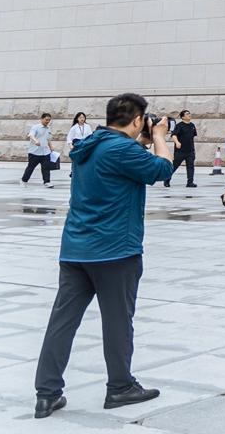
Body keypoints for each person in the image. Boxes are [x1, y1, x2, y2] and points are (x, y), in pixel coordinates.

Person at [33, 93, 173, 419]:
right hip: (114, 252)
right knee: (117, 323)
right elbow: (163, 169)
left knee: (61, 323)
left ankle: (47, 393)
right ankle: (121, 387)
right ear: (138, 119)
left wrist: (142, 137)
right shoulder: (123, 149)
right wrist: (159, 137)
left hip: (75, 250)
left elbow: (122, 153)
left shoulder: (90, 143)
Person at [162, 111, 197, 188]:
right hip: (180, 150)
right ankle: (167, 178)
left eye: (189, 113)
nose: (189, 115)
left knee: (190, 166)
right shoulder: (179, 125)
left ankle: (190, 182)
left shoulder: (192, 125)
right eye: (187, 114)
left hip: (190, 150)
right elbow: (174, 135)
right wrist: (177, 142)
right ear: (183, 117)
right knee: (175, 165)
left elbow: (193, 136)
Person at [22, 113, 56, 188]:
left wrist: (51, 147)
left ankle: (47, 182)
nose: (47, 121)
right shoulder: (36, 127)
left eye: (49, 120)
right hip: (35, 152)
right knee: (31, 167)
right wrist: (36, 141)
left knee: (46, 167)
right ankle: (24, 181)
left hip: (45, 152)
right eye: (46, 120)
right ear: (41, 119)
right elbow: (31, 135)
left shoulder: (48, 128)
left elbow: (48, 138)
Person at [64, 113, 92, 179]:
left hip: (85, 144)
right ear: (77, 119)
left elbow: (90, 136)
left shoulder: (87, 126)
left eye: (83, 117)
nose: (82, 119)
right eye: (80, 117)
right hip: (77, 144)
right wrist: (70, 145)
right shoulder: (74, 127)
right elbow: (69, 137)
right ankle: (73, 172)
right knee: (76, 159)